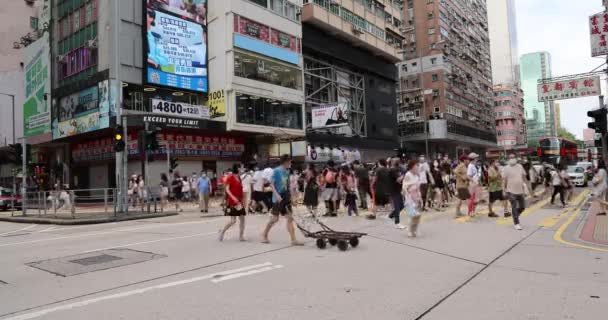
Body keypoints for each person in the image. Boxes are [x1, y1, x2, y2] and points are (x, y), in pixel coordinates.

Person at [261, 155, 303, 246]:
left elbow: (287, 185)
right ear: (286, 162)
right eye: (290, 162)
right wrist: (277, 195)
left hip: (285, 196)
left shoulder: (287, 171)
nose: (291, 164)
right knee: (275, 219)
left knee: (290, 218)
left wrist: (292, 196)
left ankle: (293, 240)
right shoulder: (276, 171)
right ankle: (264, 234)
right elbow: (271, 184)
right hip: (278, 198)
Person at [218, 165, 246, 242]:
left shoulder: (239, 178)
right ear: (237, 169)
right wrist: (233, 197)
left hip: (239, 202)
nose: (243, 169)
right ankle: (222, 232)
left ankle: (241, 236)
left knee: (242, 219)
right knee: (233, 221)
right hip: (233, 202)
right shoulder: (230, 177)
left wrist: (242, 200)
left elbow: (240, 190)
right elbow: (227, 189)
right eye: (241, 168)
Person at [503, 153, 528, 230]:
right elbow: (504, 180)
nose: (512, 159)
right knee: (514, 206)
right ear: (508, 159)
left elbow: (524, 177)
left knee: (522, 207)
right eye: (510, 157)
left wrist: (526, 188)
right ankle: (516, 223)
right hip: (510, 191)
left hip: (520, 190)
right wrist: (504, 190)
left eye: (513, 157)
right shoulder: (506, 168)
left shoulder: (520, 166)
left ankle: (515, 215)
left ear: (516, 158)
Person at [403, 160, 422, 237]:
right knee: (413, 215)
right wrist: (408, 196)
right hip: (410, 198)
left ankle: (414, 230)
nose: (417, 167)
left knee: (418, 216)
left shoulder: (417, 176)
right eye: (416, 166)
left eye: (417, 166)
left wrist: (420, 197)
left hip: (416, 198)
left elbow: (418, 188)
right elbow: (404, 187)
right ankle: (410, 230)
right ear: (412, 167)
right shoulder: (408, 175)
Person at [388, 158, 406, 229]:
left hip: (398, 190)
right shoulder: (392, 170)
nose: (399, 163)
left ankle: (391, 216)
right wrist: (404, 175)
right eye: (397, 162)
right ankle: (397, 223)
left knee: (402, 205)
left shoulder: (398, 170)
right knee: (397, 206)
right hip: (394, 190)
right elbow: (398, 179)